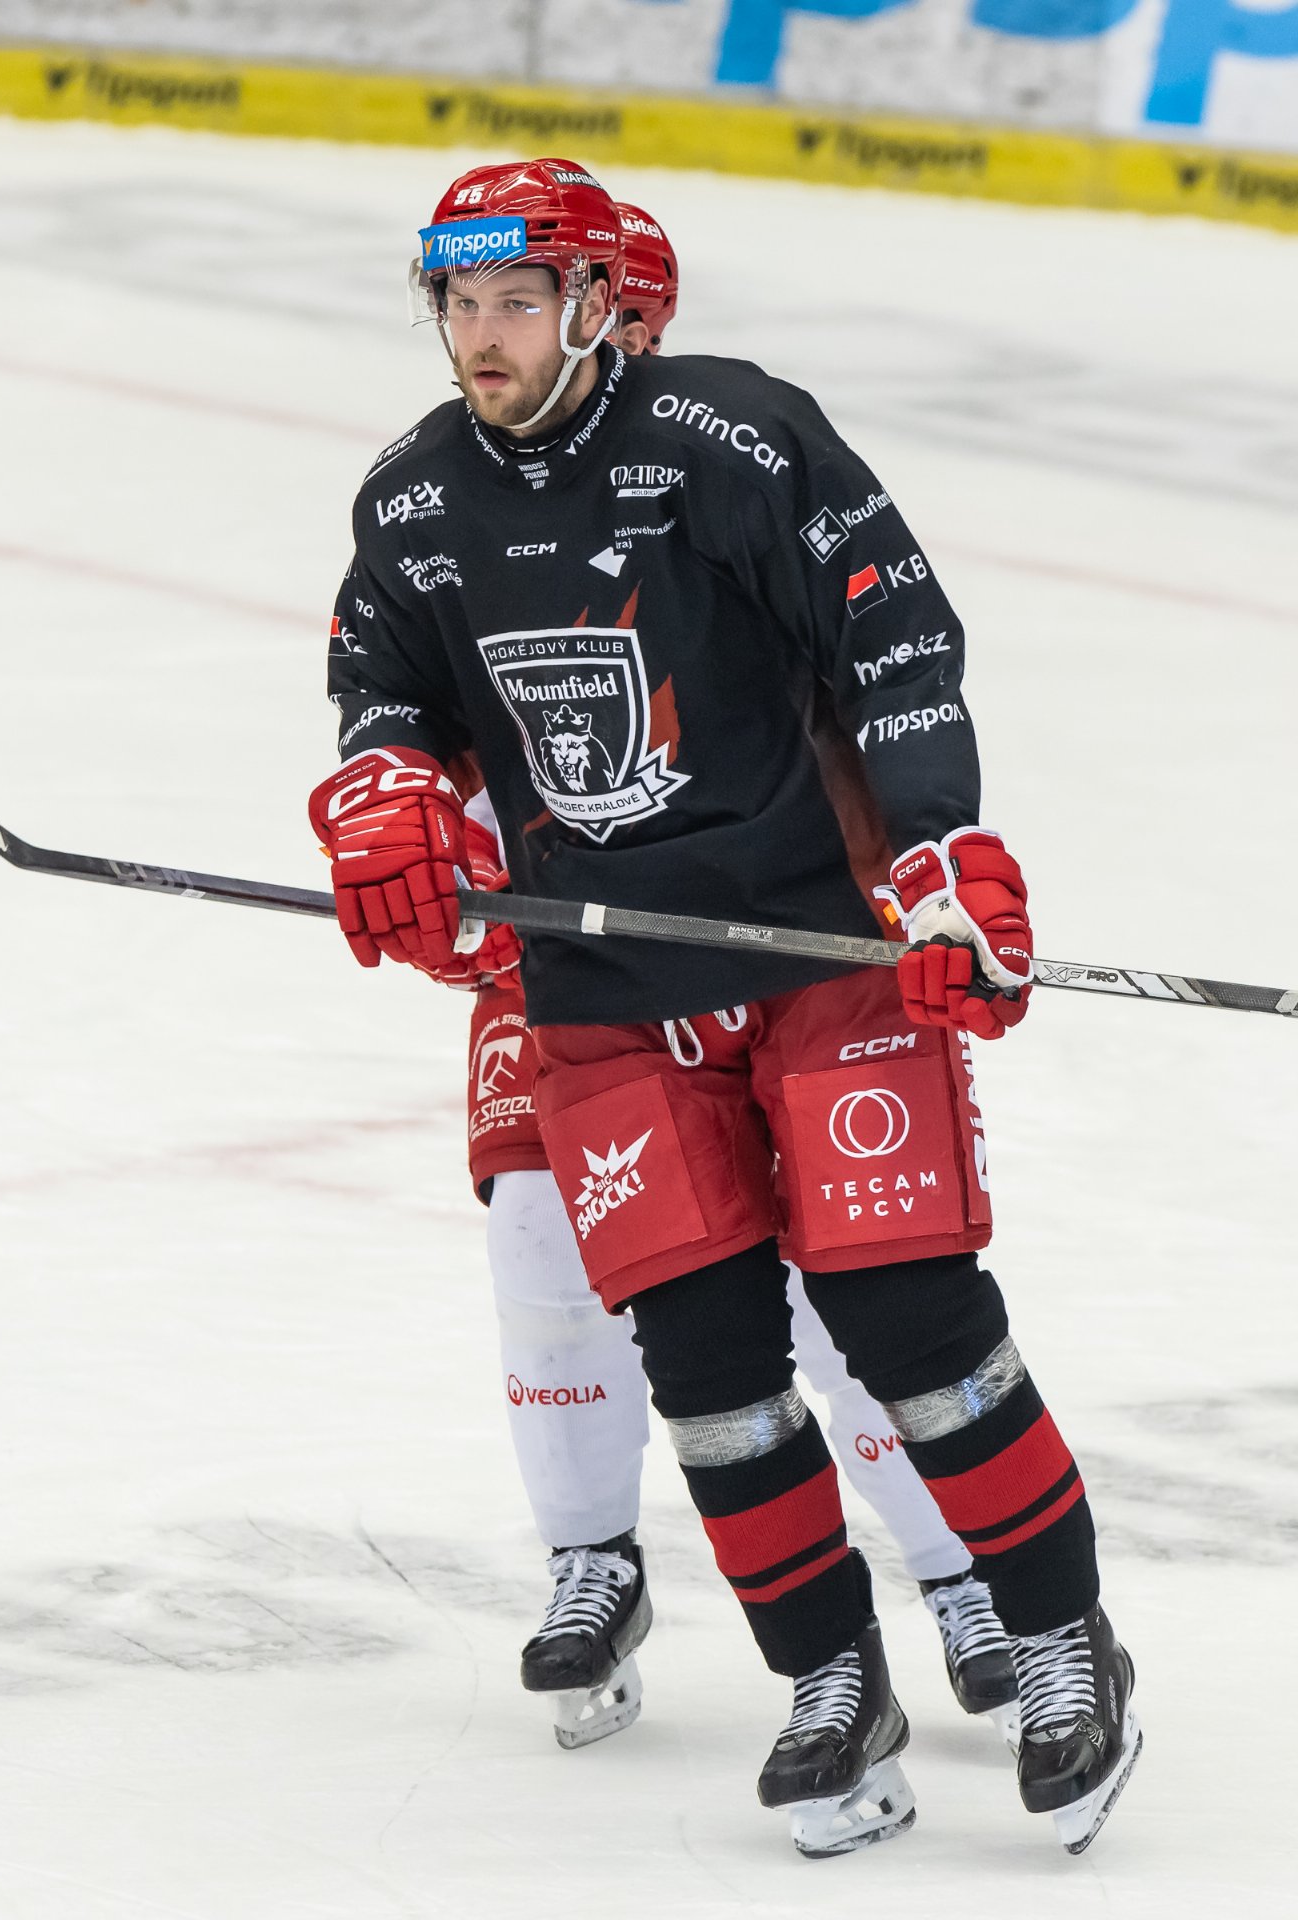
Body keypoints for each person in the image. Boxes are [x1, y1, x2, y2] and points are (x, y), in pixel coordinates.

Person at [309, 157, 1140, 1859]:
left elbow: (898, 647)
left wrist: (939, 856)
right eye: (459, 303)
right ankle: (831, 1681)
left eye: (516, 299)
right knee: (708, 1371)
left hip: (812, 949)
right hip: (606, 985)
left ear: (594, 305)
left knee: (913, 1324)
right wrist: (384, 795)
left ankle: (1067, 1646)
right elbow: (383, 685)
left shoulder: (733, 436)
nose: (482, 334)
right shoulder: (409, 500)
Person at [447, 201, 1017, 1755]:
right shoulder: (470, 503)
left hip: (795, 952)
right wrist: (436, 851)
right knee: (542, 1242)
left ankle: (961, 1576)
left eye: (626, 324)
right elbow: (445, 717)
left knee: (851, 1288)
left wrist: (929, 874)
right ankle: (591, 1560)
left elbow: (887, 683)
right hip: (577, 958)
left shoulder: (727, 477)